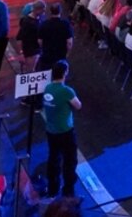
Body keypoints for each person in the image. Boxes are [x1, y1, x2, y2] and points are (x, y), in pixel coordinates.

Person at [43, 60, 81, 198]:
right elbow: (78, 105)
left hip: (51, 130)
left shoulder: (47, 88)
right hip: (65, 131)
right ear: (65, 73)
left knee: (53, 158)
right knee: (70, 160)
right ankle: (68, 190)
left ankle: (52, 188)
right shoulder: (66, 91)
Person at [37, 3, 74, 71]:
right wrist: (67, 53)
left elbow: (40, 41)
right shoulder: (65, 24)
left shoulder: (44, 24)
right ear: (60, 11)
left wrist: (44, 48)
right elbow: (69, 42)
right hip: (61, 54)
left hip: (47, 55)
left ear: (50, 12)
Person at [17, 0, 45, 73]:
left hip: (37, 51)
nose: (44, 13)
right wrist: (21, 53)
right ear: (38, 10)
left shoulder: (39, 19)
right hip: (30, 52)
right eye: (43, 10)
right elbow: (20, 38)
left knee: (35, 71)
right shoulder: (26, 22)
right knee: (30, 72)